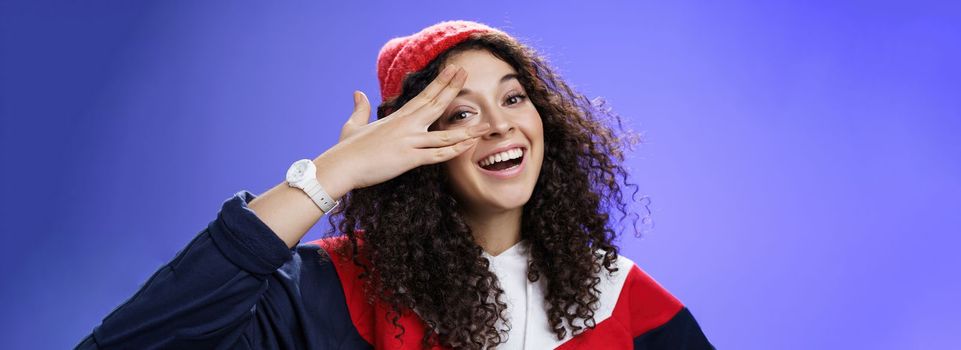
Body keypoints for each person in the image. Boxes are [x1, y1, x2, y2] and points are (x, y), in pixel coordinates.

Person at [75, 20, 715, 349]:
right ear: (410, 147)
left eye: (514, 98)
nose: (499, 126)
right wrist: (332, 174)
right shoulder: (326, 293)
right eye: (460, 112)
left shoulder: (622, 299)